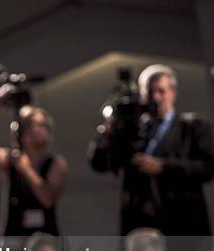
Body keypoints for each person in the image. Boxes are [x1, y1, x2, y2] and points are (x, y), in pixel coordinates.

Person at [89, 64, 214, 237]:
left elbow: (208, 168)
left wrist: (163, 166)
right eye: (149, 92)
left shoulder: (193, 126)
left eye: (161, 91)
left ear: (173, 92)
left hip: (183, 223)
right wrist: (108, 130)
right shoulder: (132, 130)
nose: (155, 98)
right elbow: (99, 163)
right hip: (141, 226)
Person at [0, 88, 67, 236]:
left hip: (45, 239)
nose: (41, 129)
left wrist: (27, 170)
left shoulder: (55, 163)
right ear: (23, 131)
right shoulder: (13, 159)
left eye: (44, 125)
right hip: (14, 237)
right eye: (36, 125)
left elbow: (47, 200)